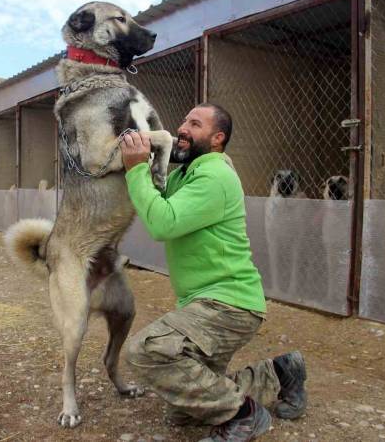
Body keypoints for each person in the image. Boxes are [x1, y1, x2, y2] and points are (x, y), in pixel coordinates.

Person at [119, 103, 307, 442]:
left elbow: (163, 222)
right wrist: (144, 160)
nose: (183, 128)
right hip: (204, 304)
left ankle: (244, 415)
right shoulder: (185, 175)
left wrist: (136, 171)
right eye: (184, 121)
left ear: (217, 138)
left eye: (195, 124)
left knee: (145, 350)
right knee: (186, 408)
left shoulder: (215, 175)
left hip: (227, 305)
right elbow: (153, 200)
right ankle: (280, 372)